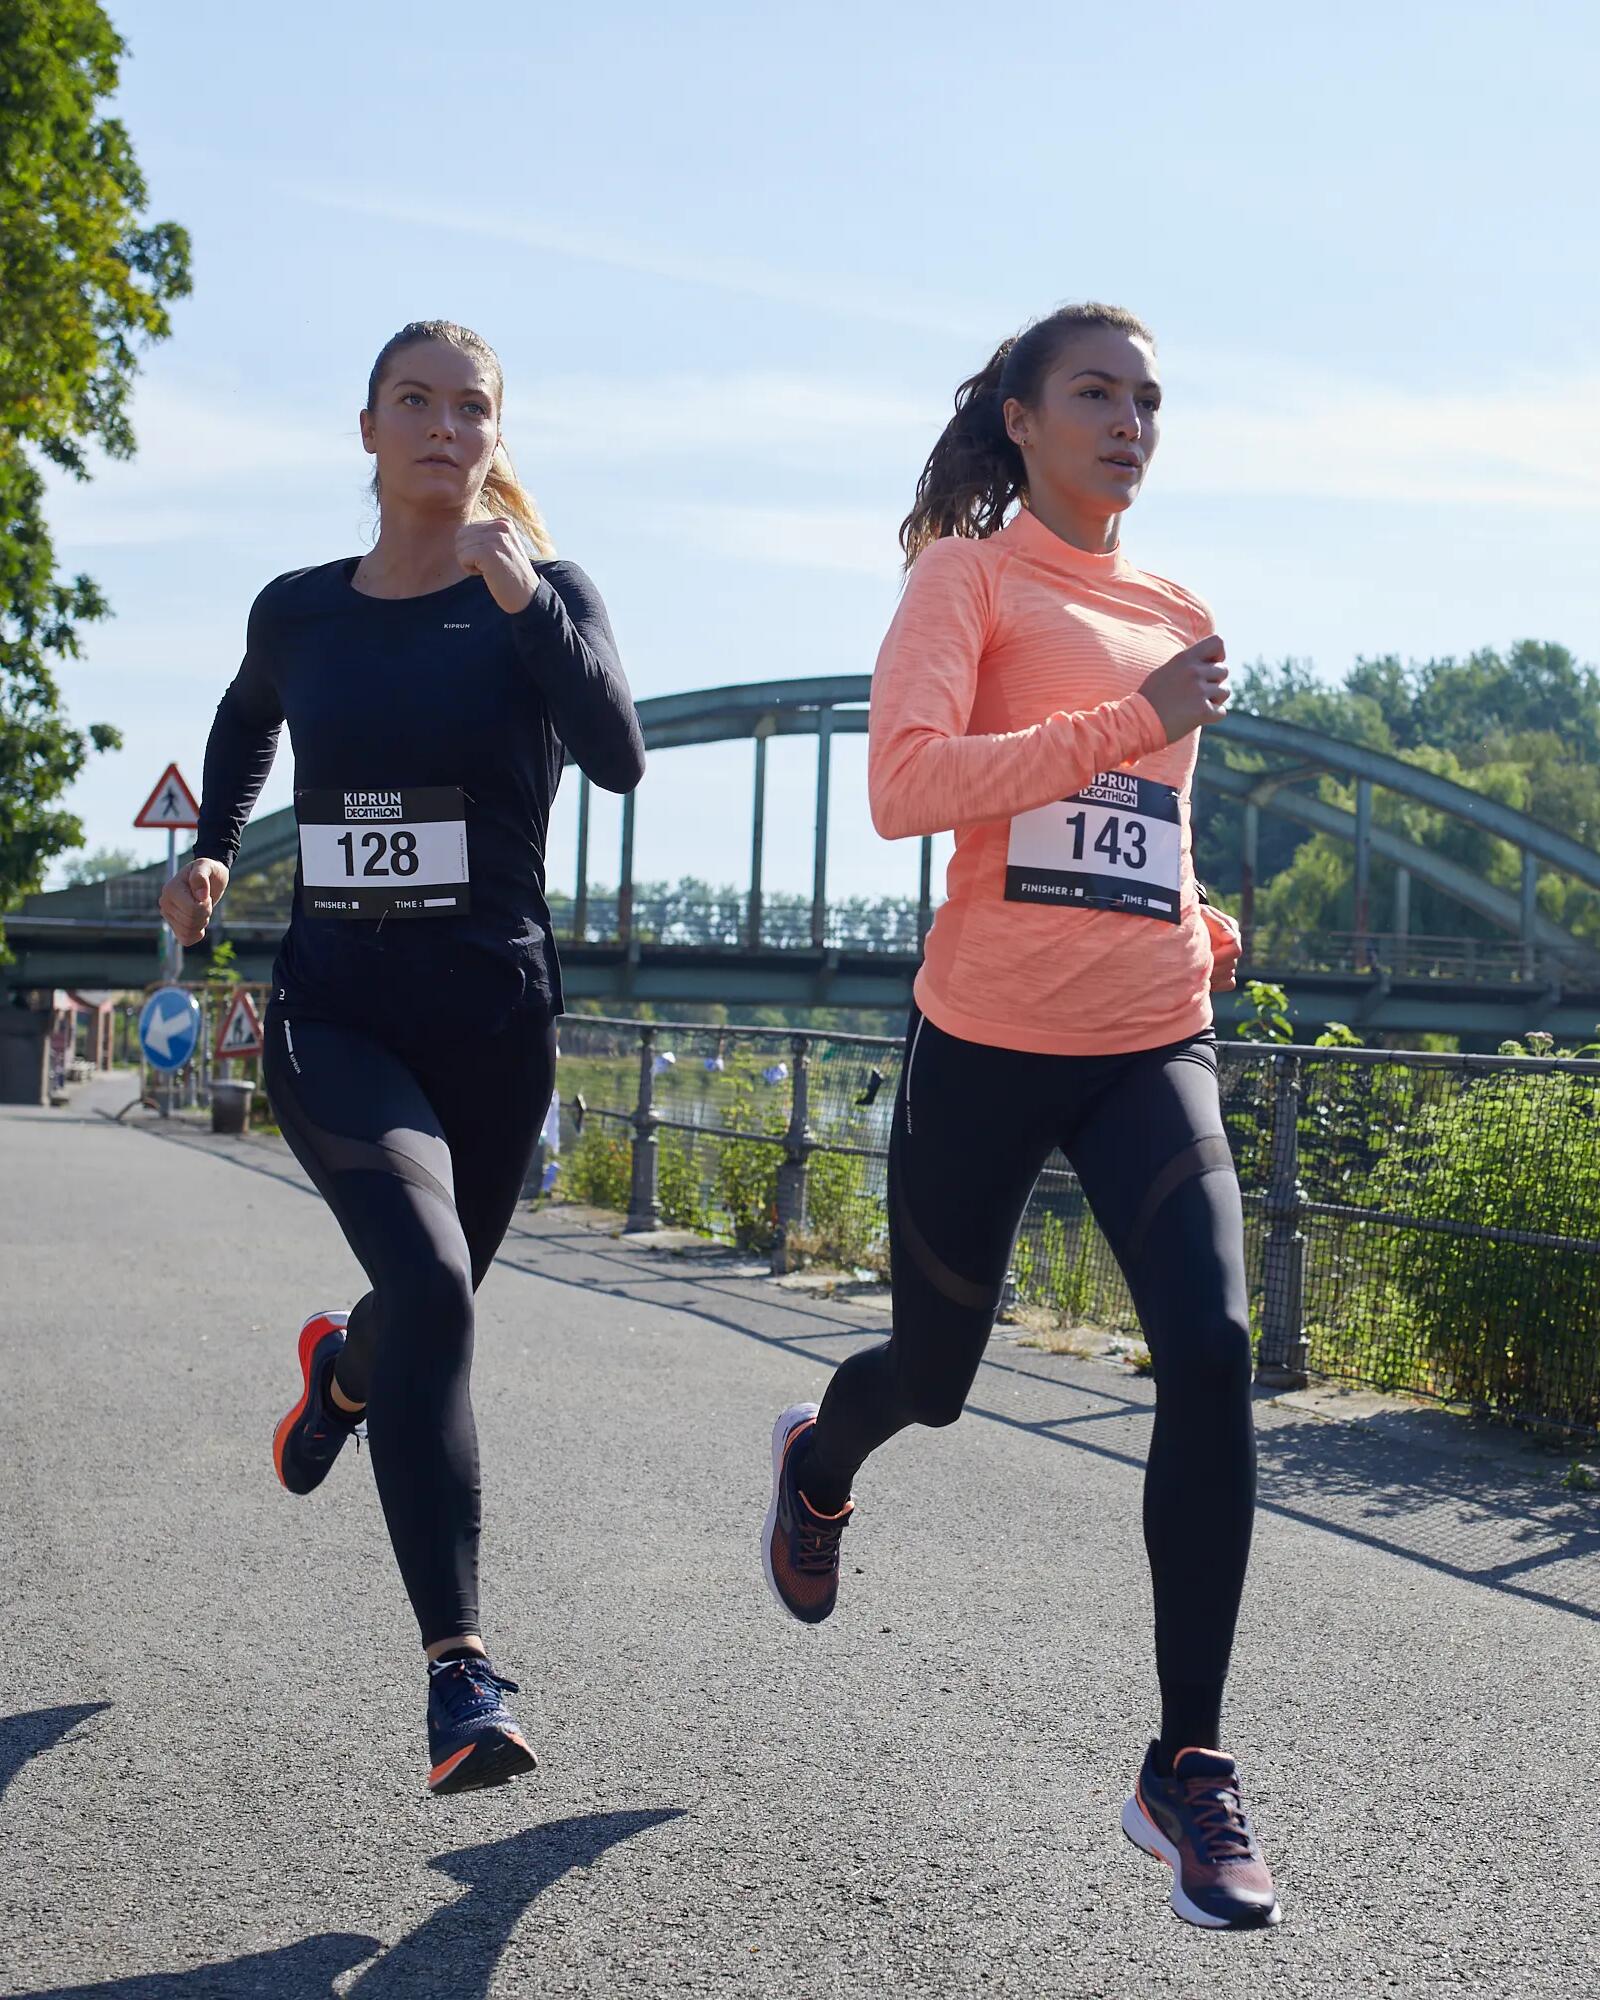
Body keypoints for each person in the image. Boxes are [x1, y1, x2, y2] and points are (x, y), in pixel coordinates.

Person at [760, 304, 1277, 1929]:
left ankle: (1185, 1765)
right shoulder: (965, 580)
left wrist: (1193, 915)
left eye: (1149, 399)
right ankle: (820, 1463)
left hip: (1147, 1039)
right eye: (1096, 394)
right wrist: (1138, 716)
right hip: (983, 1037)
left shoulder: (1176, 607)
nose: (1129, 421)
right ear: (1021, 417)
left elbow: (1137, 820)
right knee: (935, 1376)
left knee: (1211, 1349)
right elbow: (909, 786)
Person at [162, 320, 645, 1795]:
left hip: (495, 1022)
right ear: (366, 431)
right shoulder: (302, 611)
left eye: (471, 408)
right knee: (436, 1286)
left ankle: (342, 1381)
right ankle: (460, 1673)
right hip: (340, 1011)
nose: (444, 427)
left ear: (497, 437)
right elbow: (246, 724)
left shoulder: (542, 595)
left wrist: (527, 611)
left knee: (419, 1314)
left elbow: (618, 754)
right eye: (415, 404)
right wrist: (210, 849)